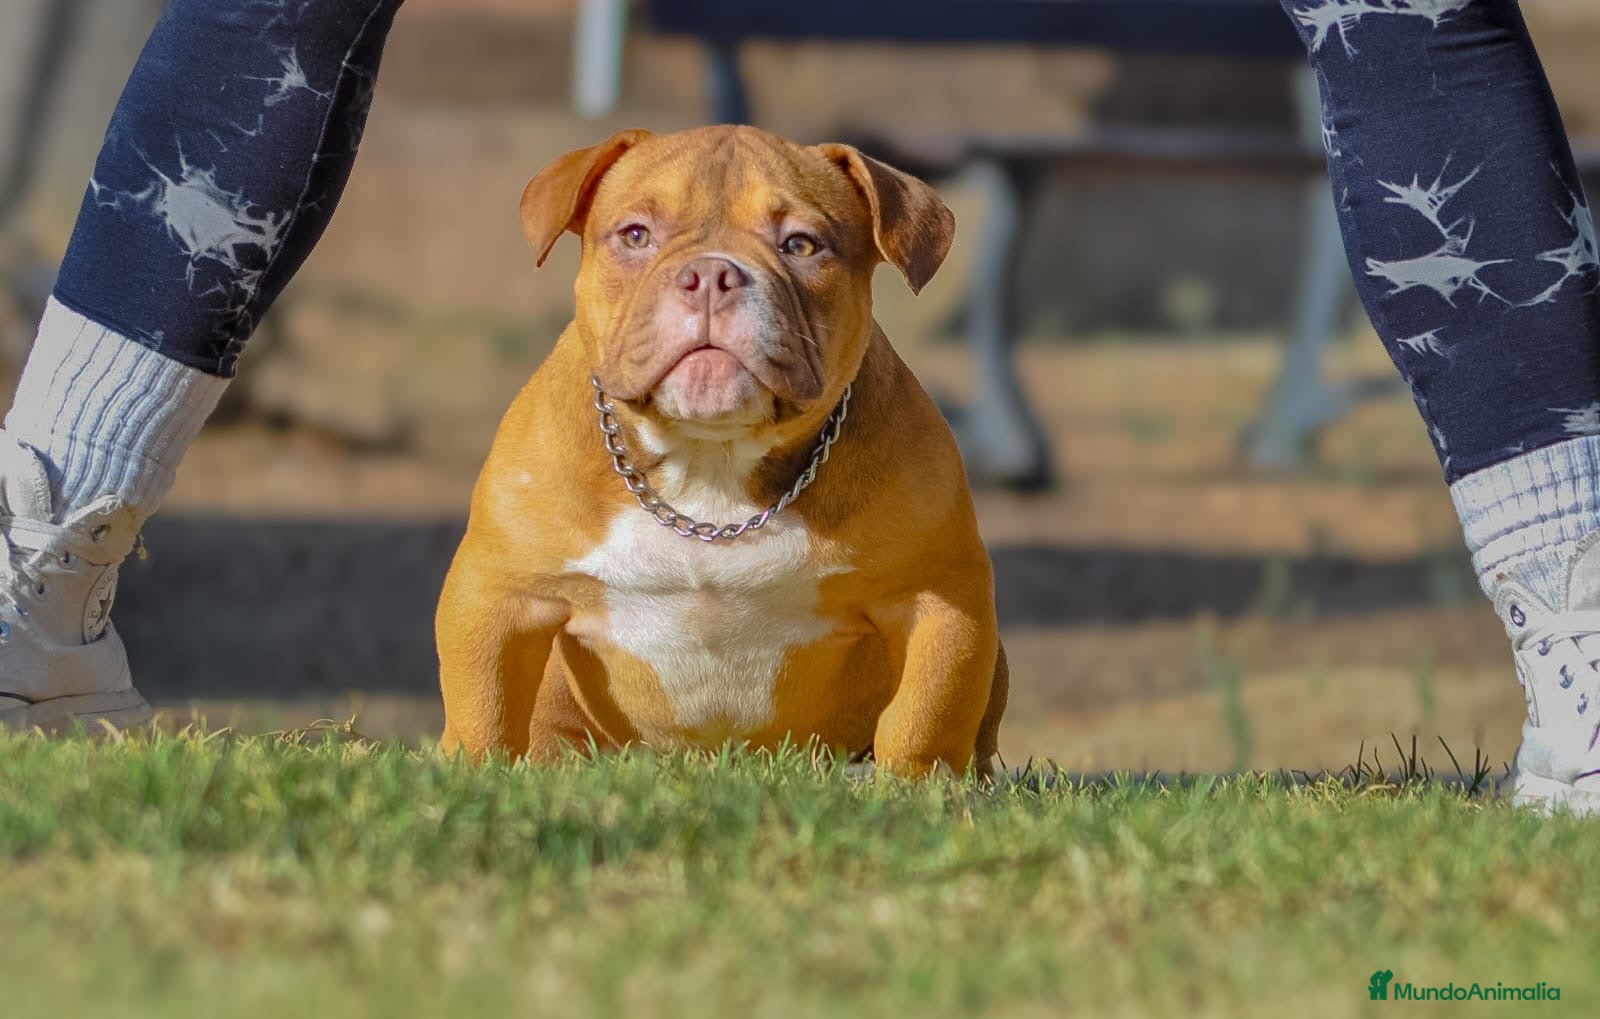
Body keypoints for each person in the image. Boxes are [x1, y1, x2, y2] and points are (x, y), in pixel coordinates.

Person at [1, 0, 1594, 811]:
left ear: (875, 260)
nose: (711, 288)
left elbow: (949, 614)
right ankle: (40, 575)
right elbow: (493, 607)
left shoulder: (886, 433)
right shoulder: (553, 443)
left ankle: (1578, 630)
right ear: (574, 238)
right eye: (646, 249)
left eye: (790, 256)